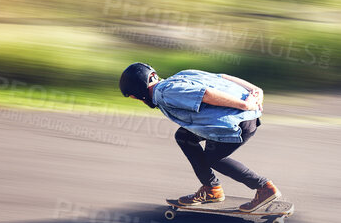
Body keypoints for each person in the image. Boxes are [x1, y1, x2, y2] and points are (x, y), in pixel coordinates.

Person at [118, 62, 282, 210]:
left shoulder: (165, 93)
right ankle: (212, 189)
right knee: (184, 137)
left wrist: (245, 105)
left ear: (137, 94)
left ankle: (264, 188)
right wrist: (255, 89)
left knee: (213, 159)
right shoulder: (182, 74)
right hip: (246, 114)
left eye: (135, 98)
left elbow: (206, 94)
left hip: (238, 122)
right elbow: (223, 77)